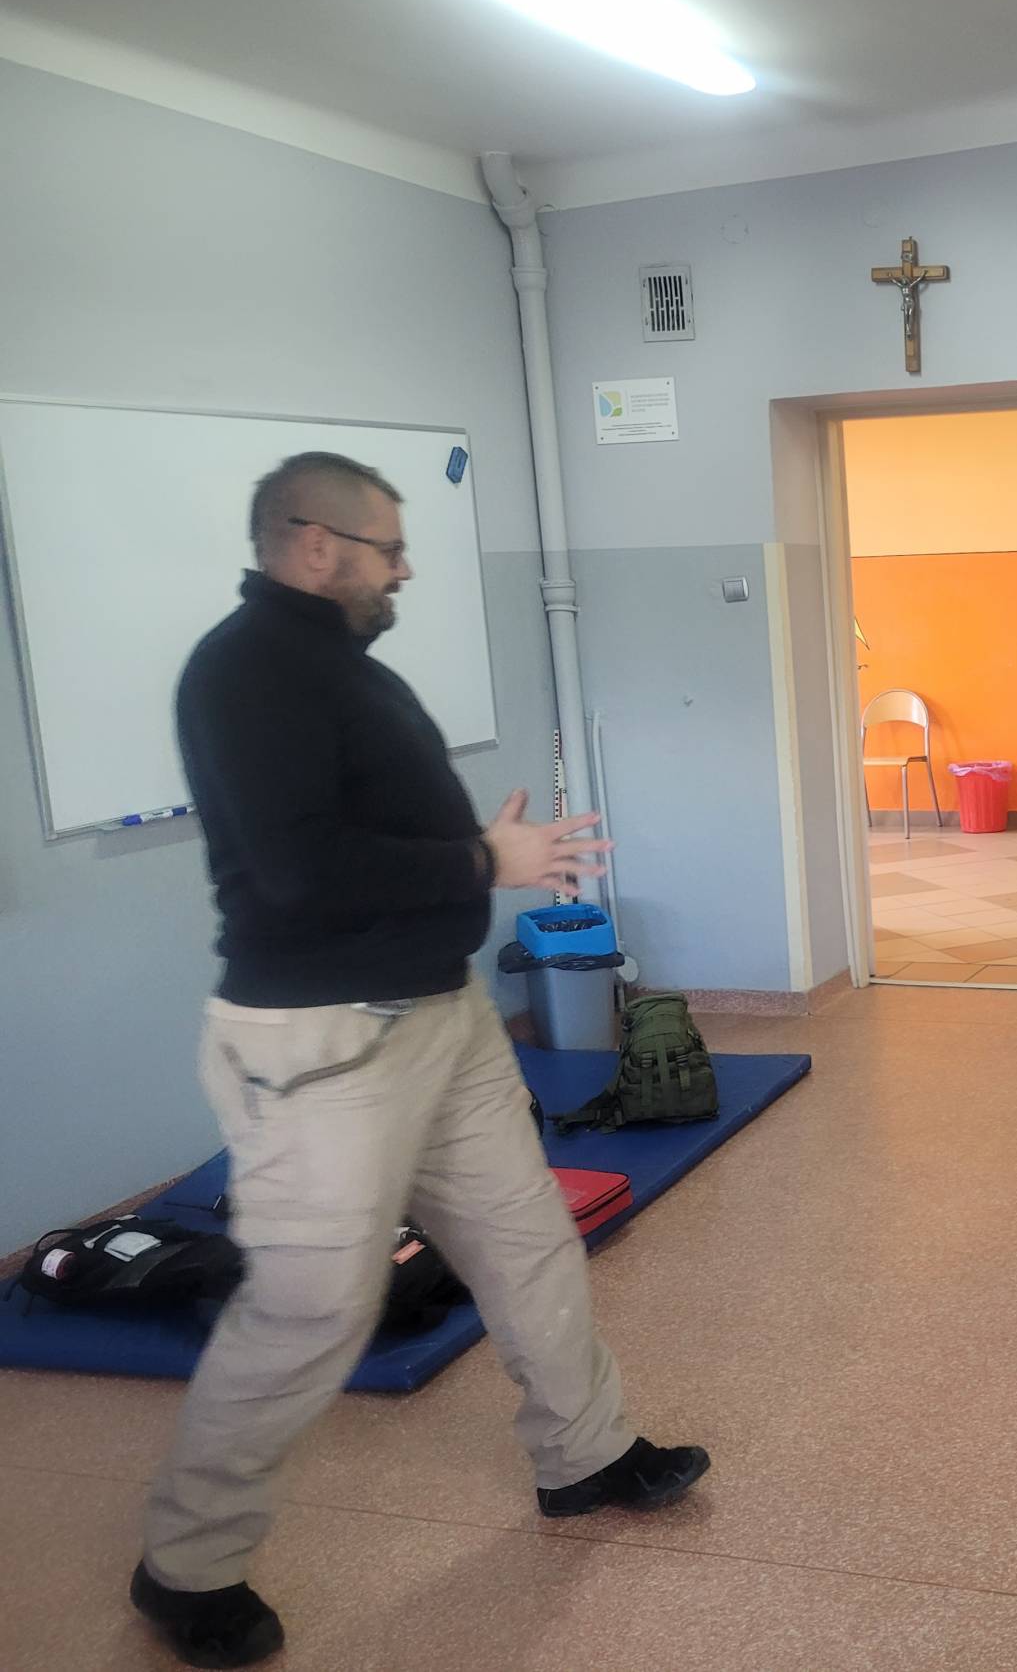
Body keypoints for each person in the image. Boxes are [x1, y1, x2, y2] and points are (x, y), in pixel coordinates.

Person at [132, 454, 709, 1669]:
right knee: (310, 1309)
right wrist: (483, 862)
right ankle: (187, 1564)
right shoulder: (243, 672)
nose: (403, 569)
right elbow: (299, 869)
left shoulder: (350, 666)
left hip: (441, 1019)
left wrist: (473, 845)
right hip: (323, 1044)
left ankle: (586, 1452)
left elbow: (377, 833)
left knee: (527, 1239)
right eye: (386, 547)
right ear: (314, 542)